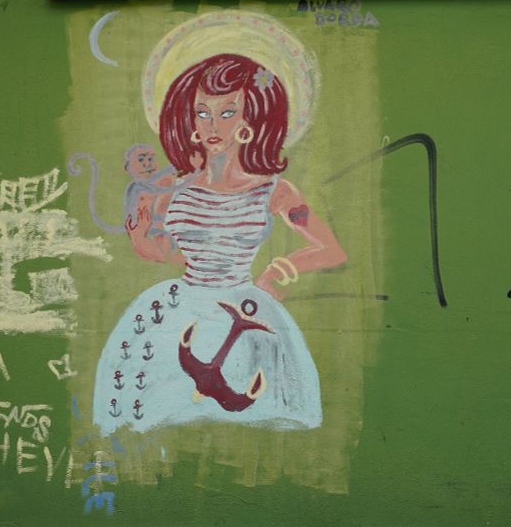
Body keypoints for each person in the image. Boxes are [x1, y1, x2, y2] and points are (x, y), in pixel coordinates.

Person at [92, 52, 346, 435]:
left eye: (227, 112)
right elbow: (157, 252)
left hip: (244, 309)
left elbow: (330, 249)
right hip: (178, 308)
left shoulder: (274, 191)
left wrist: (275, 272)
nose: (212, 125)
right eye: (202, 112)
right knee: (156, 415)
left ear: (252, 118)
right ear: (188, 118)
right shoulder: (169, 186)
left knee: (253, 425)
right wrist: (138, 230)